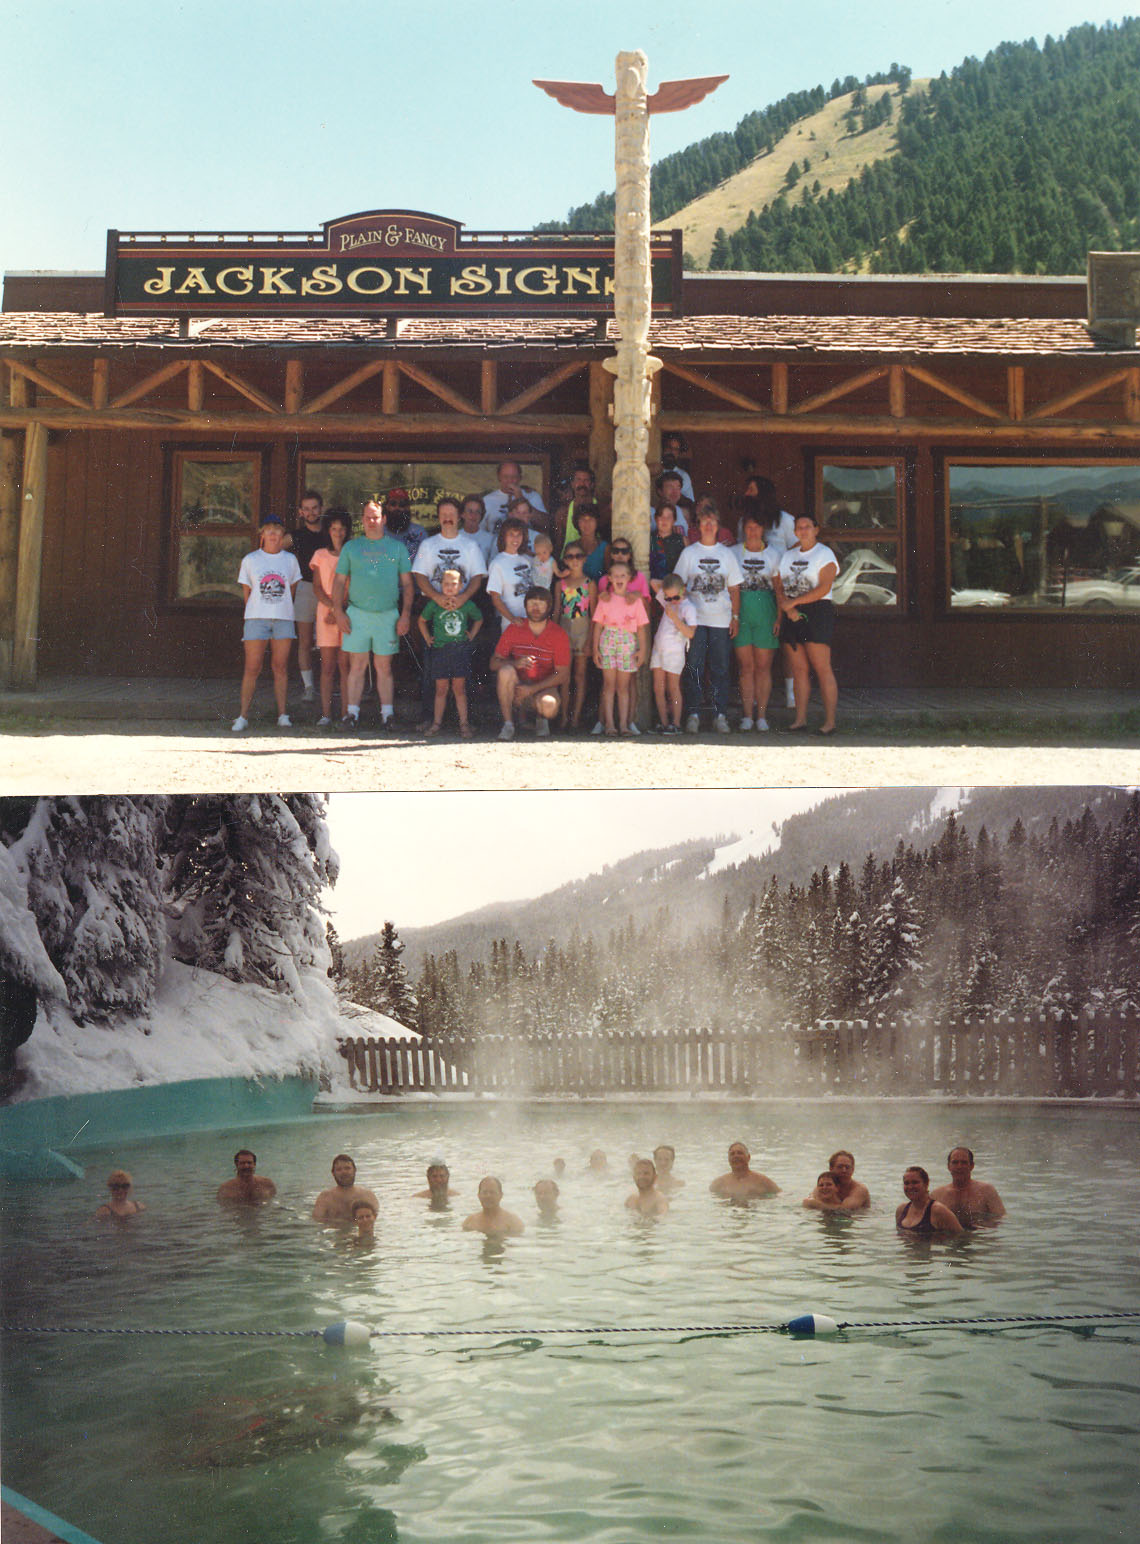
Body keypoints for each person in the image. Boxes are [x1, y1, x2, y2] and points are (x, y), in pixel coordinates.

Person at [331, 498, 413, 732]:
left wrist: (405, 614)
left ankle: (387, 715)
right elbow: (338, 582)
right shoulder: (351, 547)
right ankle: (352, 715)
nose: (371, 521)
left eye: (375, 517)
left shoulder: (397, 548)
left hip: (387, 615)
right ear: (362, 520)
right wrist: (338, 611)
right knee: (356, 666)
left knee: (384, 667)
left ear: (384, 519)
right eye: (367, 517)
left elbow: (408, 584)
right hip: (357, 614)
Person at [673, 504, 742, 734]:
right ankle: (692, 714)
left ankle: (719, 714)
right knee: (694, 666)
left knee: (720, 668)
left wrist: (734, 617)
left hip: (721, 620)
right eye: (704, 521)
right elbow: (679, 586)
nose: (709, 525)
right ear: (699, 526)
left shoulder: (727, 554)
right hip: (696, 621)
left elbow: (734, 589)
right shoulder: (689, 553)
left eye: (713, 521)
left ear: (718, 526)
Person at [232, 514, 302, 733]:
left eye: (277, 530)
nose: (273, 534)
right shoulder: (251, 559)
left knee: (280, 667)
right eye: (268, 530)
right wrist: (259, 610)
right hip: (256, 618)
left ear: (283, 535)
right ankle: (243, 716)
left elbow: (291, 590)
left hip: (283, 619)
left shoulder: (290, 560)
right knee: (252, 667)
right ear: (262, 534)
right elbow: (247, 593)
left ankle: (283, 715)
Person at [774, 513, 839, 736]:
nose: (803, 530)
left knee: (822, 668)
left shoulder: (825, 554)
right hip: (791, 612)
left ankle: (829, 722)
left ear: (816, 529)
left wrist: (796, 603)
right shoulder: (788, 555)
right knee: (799, 670)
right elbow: (778, 583)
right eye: (799, 527)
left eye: (807, 526)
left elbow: (824, 587)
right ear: (794, 531)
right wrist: (788, 608)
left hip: (817, 611)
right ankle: (800, 719)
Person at [491, 585, 571, 741]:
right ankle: (508, 724)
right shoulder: (515, 628)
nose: (536, 608)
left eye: (541, 604)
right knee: (505, 670)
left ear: (548, 607)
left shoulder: (558, 633)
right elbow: (493, 663)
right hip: (518, 688)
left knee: (549, 705)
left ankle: (541, 719)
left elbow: (563, 674)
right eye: (532, 603)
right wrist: (515, 663)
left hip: (542, 688)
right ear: (525, 606)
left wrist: (532, 689)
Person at [417, 568, 482, 738]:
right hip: (440, 650)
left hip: (459, 650)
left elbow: (479, 618)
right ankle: (436, 723)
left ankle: (464, 724)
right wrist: (427, 638)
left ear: (461, 586)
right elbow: (422, 620)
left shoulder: (466, 604)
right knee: (441, 689)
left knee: (459, 689)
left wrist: (472, 634)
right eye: (446, 584)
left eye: (454, 584)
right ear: (440, 585)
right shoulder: (435, 604)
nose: (450, 587)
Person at [732, 509, 781, 732]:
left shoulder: (774, 555)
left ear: (763, 530)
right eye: (749, 527)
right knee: (746, 667)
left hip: (765, 611)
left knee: (763, 667)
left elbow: (780, 590)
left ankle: (761, 716)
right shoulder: (733, 553)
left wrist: (779, 617)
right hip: (741, 611)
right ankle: (747, 715)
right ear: (744, 529)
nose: (752, 531)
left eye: (757, 527)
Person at [590, 560, 649, 736]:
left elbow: (641, 628)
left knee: (623, 687)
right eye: (615, 576)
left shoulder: (635, 602)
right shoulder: (605, 600)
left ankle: (623, 724)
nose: (619, 579)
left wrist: (642, 650)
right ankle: (609, 724)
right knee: (609, 685)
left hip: (627, 643)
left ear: (629, 578)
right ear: (610, 579)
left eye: (623, 575)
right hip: (608, 641)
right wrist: (595, 649)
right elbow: (598, 626)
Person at [308, 508, 353, 729]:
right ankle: (326, 713)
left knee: (345, 665)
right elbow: (317, 587)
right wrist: (331, 608)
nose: (338, 533)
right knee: (327, 666)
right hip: (326, 614)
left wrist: (341, 609)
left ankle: (346, 714)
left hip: (345, 613)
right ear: (328, 530)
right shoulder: (320, 555)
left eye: (342, 529)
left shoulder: (352, 553)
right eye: (334, 529)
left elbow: (352, 587)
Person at [287, 487, 327, 703]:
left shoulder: (330, 533)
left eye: (314, 508)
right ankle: (309, 687)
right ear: (301, 512)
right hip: (304, 588)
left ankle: (330, 685)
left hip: (329, 591)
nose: (311, 513)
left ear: (321, 508)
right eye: (306, 509)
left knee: (331, 642)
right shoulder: (295, 536)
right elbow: (271, 549)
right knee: (304, 641)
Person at [554, 542, 596, 731]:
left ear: (584, 558)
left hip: (583, 628)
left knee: (580, 675)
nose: (575, 560)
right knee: (564, 676)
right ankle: (563, 715)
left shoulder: (590, 583)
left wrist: (590, 640)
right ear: (564, 560)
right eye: (570, 556)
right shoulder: (560, 584)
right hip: (564, 629)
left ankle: (576, 717)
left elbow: (594, 614)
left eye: (578, 556)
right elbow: (556, 610)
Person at [650, 573, 697, 734]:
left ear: (683, 590)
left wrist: (675, 618)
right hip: (659, 648)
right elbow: (653, 582)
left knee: (673, 687)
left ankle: (676, 723)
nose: (671, 601)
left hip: (675, 651)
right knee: (658, 687)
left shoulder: (687, 607)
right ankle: (664, 723)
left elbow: (690, 633)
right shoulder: (669, 602)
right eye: (668, 598)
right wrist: (668, 587)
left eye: (675, 597)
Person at [931, 1147, 1006, 1226]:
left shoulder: (986, 1191)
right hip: (949, 1236)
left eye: (964, 1162)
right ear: (949, 1166)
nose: (959, 1166)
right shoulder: (937, 1195)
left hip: (978, 1235)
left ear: (972, 1166)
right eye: (955, 1162)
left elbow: (1000, 1219)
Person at [486, 518, 534, 633]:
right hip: (511, 624)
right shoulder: (497, 563)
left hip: (531, 621)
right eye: (511, 534)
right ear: (504, 537)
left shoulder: (526, 560)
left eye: (519, 535)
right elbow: (495, 598)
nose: (515, 539)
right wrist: (512, 619)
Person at [481, 460, 547, 538]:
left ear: (520, 478)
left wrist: (520, 498)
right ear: (499, 477)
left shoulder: (532, 496)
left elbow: (545, 523)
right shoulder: (487, 500)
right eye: (506, 477)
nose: (510, 481)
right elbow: (481, 531)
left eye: (514, 477)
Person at [896, 1165, 964, 1236]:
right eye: (906, 1183)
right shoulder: (901, 1210)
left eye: (915, 1182)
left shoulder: (938, 1210)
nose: (910, 1187)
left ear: (926, 1184)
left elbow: (960, 1236)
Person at [312, 1154, 380, 1224]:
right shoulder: (325, 1197)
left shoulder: (367, 1195)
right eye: (339, 1169)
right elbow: (317, 1223)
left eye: (347, 1168)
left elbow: (377, 1220)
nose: (344, 1172)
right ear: (333, 1173)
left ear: (354, 1170)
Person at [710, 1142, 780, 1200]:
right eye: (732, 1154)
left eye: (740, 1153)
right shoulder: (719, 1183)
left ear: (748, 1157)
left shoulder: (762, 1181)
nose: (736, 1156)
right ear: (728, 1159)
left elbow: (780, 1195)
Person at [382, 486, 427, 563]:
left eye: (402, 504)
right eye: (393, 504)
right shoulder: (378, 532)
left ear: (407, 507)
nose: (397, 508)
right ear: (387, 507)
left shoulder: (419, 532)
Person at [649, 504, 686, 584]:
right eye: (661, 516)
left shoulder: (682, 540)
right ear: (655, 519)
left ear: (674, 520)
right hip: (652, 587)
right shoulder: (648, 539)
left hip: (675, 587)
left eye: (668, 517)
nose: (664, 520)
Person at [573, 504, 608, 581]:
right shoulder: (571, 547)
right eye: (582, 519)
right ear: (577, 522)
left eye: (591, 519)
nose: (587, 523)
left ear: (597, 522)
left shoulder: (605, 547)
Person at [654, 469, 692, 536]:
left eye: (678, 487)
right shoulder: (651, 513)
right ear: (660, 491)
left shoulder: (684, 513)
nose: (675, 492)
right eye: (670, 487)